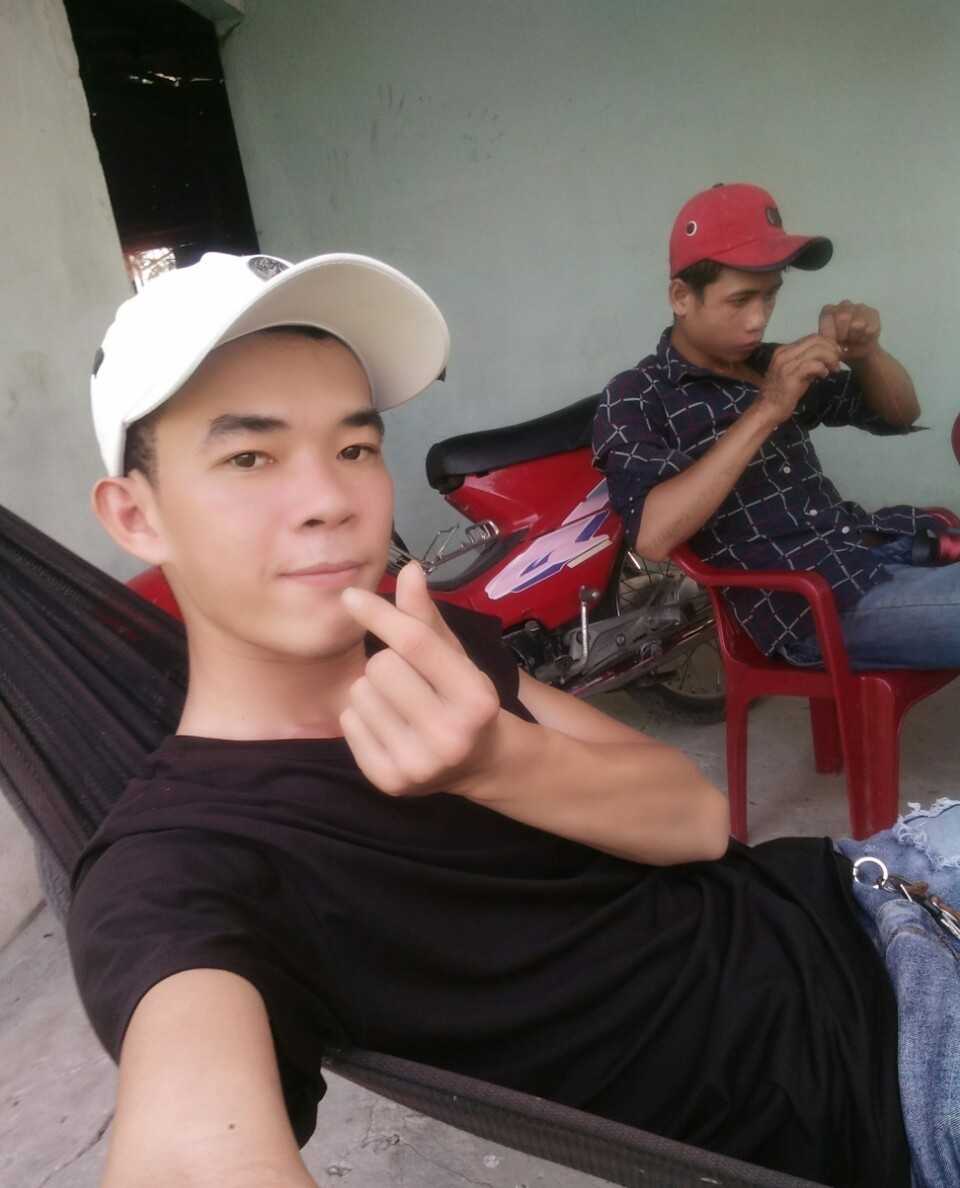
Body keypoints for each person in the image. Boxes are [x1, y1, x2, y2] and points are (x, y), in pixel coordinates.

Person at [67, 250, 954, 1188]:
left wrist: (497, 761)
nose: (329, 501)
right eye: (249, 457)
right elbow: (192, 1142)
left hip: (877, 882)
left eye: (355, 449)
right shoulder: (179, 866)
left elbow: (697, 821)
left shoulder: (429, 638)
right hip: (902, 1060)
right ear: (135, 517)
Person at [592, 182, 960, 670]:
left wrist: (867, 354)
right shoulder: (638, 394)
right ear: (681, 296)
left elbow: (900, 413)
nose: (758, 320)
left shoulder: (770, 362)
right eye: (740, 300)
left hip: (878, 548)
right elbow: (653, 535)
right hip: (814, 607)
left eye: (770, 297)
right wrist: (767, 409)